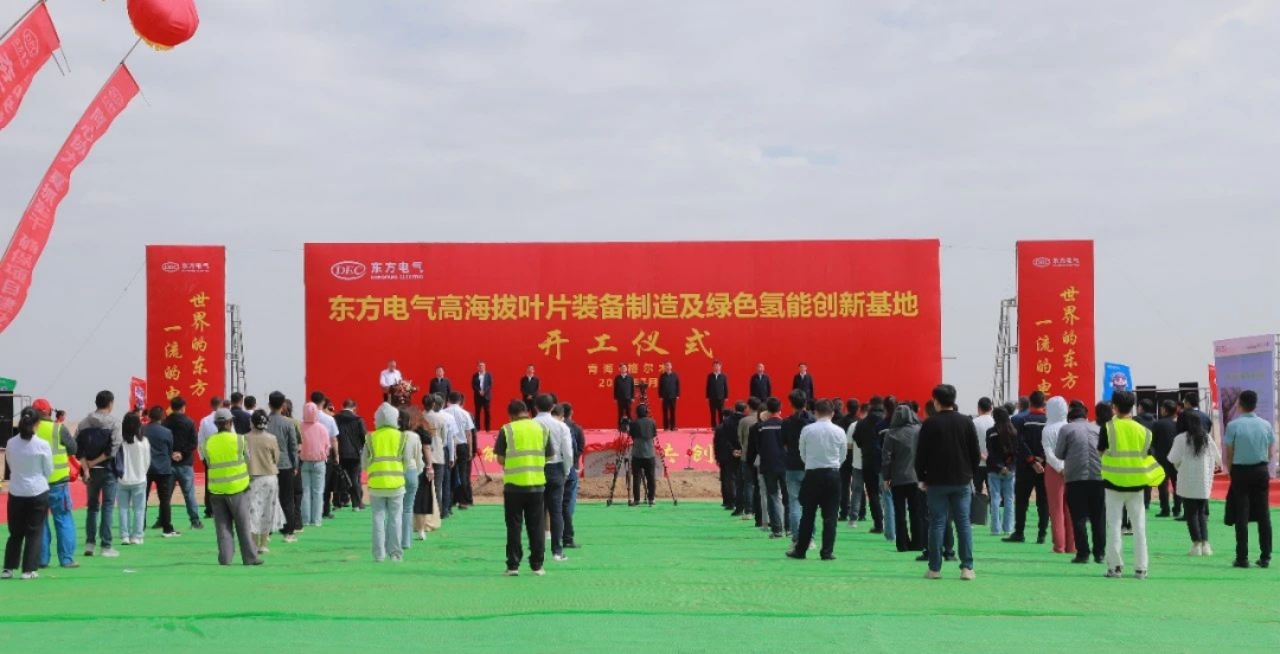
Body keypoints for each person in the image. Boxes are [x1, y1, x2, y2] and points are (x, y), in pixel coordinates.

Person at [915, 384, 980, 581]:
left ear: (936, 401)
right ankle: (967, 568)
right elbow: (975, 453)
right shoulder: (966, 422)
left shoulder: (930, 423)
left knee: (937, 523)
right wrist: (970, 473)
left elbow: (921, 454)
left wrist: (922, 477)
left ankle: (934, 569)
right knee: (963, 524)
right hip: (961, 480)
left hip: (936, 481)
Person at [1099, 390, 1164, 579]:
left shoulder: (1108, 428)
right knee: (1139, 527)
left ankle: (1115, 568)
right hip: (1137, 485)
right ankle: (1141, 568)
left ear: (1114, 406)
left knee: (1114, 526)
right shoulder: (1144, 431)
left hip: (1113, 483)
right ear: (1133, 407)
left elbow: (1100, 452)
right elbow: (1147, 454)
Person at [495, 399, 554, 576]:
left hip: (513, 486)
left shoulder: (507, 429)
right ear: (527, 411)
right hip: (536, 485)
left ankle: (513, 566)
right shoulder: (541, 429)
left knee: (514, 527)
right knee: (536, 527)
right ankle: (537, 565)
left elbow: (500, 459)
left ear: (511, 415)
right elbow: (549, 456)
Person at [201, 409, 262, 566]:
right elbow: (247, 459)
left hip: (217, 490)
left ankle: (225, 558)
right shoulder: (240, 440)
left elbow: (208, 462)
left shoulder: (207, 443)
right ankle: (250, 557)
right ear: (230, 422)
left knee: (222, 527)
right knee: (243, 525)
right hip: (238, 488)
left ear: (216, 424)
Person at [1223, 389, 1276, 569]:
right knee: (1264, 514)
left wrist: (1231, 471)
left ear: (1239, 404)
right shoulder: (1266, 425)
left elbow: (1229, 454)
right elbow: (1271, 452)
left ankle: (1242, 557)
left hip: (1240, 471)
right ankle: (1266, 556)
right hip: (1261, 469)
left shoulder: (1233, 426)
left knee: (1241, 514)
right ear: (1255, 404)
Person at [787, 400, 845, 561]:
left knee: (808, 514)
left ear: (816, 413)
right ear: (832, 413)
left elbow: (802, 453)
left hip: (812, 474)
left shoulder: (807, 430)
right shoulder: (839, 431)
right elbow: (842, 455)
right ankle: (827, 551)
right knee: (831, 516)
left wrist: (811, 465)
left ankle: (801, 550)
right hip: (832, 474)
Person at [31, 399, 78, 569]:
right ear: (49, 412)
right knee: (63, 520)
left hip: (37, 484)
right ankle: (66, 559)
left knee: (40, 522)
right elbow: (73, 449)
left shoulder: (30, 429)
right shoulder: (58, 428)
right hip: (58, 482)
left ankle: (42, 559)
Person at [3, 414, 52, 580]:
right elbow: (49, 469)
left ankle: (8, 568)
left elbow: (10, 463)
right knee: (34, 532)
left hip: (17, 491)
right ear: (36, 424)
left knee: (15, 532)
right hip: (37, 490)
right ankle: (28, 570)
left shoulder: (11, 443)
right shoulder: (42, 445)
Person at [1056, 402, 1105, 564]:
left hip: (1075, 478)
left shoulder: (1066, 429)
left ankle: (1083, 553)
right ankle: (1100, 553)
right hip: (1098, 477)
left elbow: (1059, 454)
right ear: (1086, 416)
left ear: (1069, 418)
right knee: (1098, 517)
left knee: (1078, 517)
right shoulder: (1097, 429)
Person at [1168, 411, 1220, 557]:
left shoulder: (1180, 438)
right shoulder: (1206, 437)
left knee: (1191, 513)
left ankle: (1196, 544)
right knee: (1201, 512)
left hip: (1186, 480)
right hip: (1203, 480)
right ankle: (1206, 544)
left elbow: (1173, 459)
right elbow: (1217, 457)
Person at [77, 391, 122, 559]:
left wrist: (86, 468)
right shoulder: (114, 423)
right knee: (107, 507)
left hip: (91, 472)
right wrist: (94, 462)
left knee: (92, 507)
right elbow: (113, 449)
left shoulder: (83, 423)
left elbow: (78, 448)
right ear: (110, 404)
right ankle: (106, 546)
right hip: (108, 470)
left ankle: (89, 544)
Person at [362, 403, 407, 562]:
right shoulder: (402, 437)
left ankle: (379, 555)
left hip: (376, 485)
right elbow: (407, 461)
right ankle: (395, 554)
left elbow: (364, 464)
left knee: (377, 519)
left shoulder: (370, 437)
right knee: (395, 519)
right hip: (397, 485)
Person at [1006, 391, 1049, 544]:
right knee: (1043, 502)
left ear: (1030, 403)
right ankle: (1042, 534)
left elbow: (1019, 443)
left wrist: (1031, 460)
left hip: (1025, 466)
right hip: (1044, 466)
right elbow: (1051, 442)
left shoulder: (1021, 420)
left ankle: (1019, 532)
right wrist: (1042, 458)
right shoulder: (1048, 421)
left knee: (1022, 501)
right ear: (1044, 403)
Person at [533, 395, 573, 559]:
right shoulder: (561, 426)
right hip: (556, 468)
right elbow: (568, 452)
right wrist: (566, 470)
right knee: (556, 511)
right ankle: (557, 551)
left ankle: (537, 551)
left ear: (535, 407)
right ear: (552, 407)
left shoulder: (530, 425)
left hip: (536, 469)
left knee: (536, 511)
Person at [882, 404, 923, 553]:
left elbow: (887, 458)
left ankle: (902, 543)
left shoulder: (890, 434)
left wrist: (886, 477)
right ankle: (918, 542)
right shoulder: (918, 431)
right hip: (916, 478)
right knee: (916, 511)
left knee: (899, 512)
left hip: (898, 478)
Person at [1040, 397, 1075, 555]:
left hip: (1054, 471)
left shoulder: (1047, 429)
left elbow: (1049, 453)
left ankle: (1059, 545)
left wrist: (1060, 468)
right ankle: (1072, 545)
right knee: (1071, 508)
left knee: (1056, 509)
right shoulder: (1070, 427)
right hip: (1072, 469)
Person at [245, 409, 283, 554]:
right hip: (269, 477)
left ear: (252, 422)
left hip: (251, 477)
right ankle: (264, 543)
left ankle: (253, 543)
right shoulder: (271, 438)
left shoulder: (244, 438)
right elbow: (276, 458)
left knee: (252, 511)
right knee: (267, 510)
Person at [748, 397, 787, 539]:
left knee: (772, 496)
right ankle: (789, 528)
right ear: (780, 408)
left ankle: (776, 529)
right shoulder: (785, 425)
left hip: (768, 465)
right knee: (788, 497)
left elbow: (758, 447)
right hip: (785, 464)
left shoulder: (760, 427)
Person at [162, 397, 203, 530]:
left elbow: (163, 443)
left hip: (169, 464)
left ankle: (162, 520)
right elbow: (193, 443)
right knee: (189, 494)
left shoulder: (165, 422)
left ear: (171, 407)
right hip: (185, 463)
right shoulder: (189, 422)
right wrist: (182, 454)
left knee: (166, 495)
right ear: (183, 407)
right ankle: (195, 520)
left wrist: (172, 453)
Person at [265, 391, 301, 543]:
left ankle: (267, 532)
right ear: (283, 405)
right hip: (285, 465)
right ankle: (288, 532)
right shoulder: (288, 423)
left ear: (269, 404)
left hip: (267, 465)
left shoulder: (264, 422)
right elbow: (293, 446)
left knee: (268, 499)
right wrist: (295, 465)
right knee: (287, 499)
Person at [781, 390, 815, 543]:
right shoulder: (813, 421)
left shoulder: (787, 422)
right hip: (810, 465)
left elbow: (783, 443)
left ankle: (797, 538)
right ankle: (810, 538)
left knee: (794, 502)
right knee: (810, 503)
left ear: (791, 404)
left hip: (793, 465)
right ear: (806, 403)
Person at [115, 413, 150, 546]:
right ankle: (137, 536)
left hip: (122, 479)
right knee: (139, 509)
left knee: (123, 509)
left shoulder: (119, 442)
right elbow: (147, 461)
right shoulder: (143, 441)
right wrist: (142, 473)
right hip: (139, 479)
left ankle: (124, 536)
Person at [142, 406, 177, 539]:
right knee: (164, 500)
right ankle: (167, 528)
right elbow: (170, 450)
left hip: (146, 468)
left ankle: (140, 527)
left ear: (149, 416)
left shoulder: (142, 430)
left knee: (142, 500)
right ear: (162, 416)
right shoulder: (167, 432)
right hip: (163, 469)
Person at [852, 397, 887, 534]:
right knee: (889, 494)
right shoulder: (888, 421)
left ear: (870, 406)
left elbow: (857, 440)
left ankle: (878, 524)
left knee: (873, 494)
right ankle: (891, 524)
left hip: (869, 460)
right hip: (887, 461)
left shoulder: (862, 423)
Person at [299, 402, 335, 528]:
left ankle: (306, 519)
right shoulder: (322, 428)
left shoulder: (300, 427)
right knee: (318, 492)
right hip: (319, 462)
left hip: (304, 462)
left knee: (306, 492)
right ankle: (317, 520)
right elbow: (328, 446)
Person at [985, 407, 1017, 537]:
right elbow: (1016, 452)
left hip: (994, 469)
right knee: (1009, 498)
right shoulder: (1013, 432)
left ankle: (995, 528)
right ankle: (1008, 528)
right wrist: (1009, 467)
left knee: (995, 498)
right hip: (1010, 470)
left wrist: (999, 467)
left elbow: (991, 452)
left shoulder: (991, 432)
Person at [444, 392, 477, 510]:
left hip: (448, 446)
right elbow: (469, 433)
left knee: (449, 473)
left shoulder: (444, 412)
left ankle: (450, 501)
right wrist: (470, 450)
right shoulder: (465, 413)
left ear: (448, 400)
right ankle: (463, 501)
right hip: (462, 445)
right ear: (460, 401)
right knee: (463, 474)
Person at [411, 409, 441, 540]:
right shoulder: (423, 432)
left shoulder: (404, 433)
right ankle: (423, 527)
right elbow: (427, 449)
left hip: (407, 467)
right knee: (423, 499)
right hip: (421, 467)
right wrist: (430, 467)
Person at [398, 411, 424, 551]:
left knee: (395, 508)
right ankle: (406, 541)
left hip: (396, 473)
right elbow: (419, 457)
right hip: (412, 472)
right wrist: (418, 471)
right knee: (408, 508)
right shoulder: (414, 436)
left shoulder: (393, 436)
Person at [1151, 400, 1181, 518]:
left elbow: (1153, 441)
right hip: (1177, 457)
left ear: (1165, 410)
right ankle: (1177, 509)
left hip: (1162, 457)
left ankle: (1165, 509)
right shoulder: (1179, 423)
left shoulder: (1158, 424)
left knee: (1163, 484)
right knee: (1177, 483)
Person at [334, 400, 366, 511]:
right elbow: (363, 436)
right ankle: (356, 504)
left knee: (338, 478)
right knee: (354, 479)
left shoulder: (335, 418)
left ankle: (337, 503)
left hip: (339, 453)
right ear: (354, 407)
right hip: (354, 454)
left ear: (342, 406)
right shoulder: (358, 419)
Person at [561, 403, 585, 549]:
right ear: (571, 413)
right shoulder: (575, 428)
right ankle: (567, 534)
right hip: (570, 468)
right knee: (568, 502)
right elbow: (580, 447)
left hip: (556, 468)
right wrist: (574, 460)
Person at [196, 395, 224, 520]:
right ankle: (225, 508)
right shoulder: (227, 418)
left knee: (210, 483)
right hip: (225, 455)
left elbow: (200, 440)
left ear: (211, 405)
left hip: (210, 456)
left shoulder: (205, 421)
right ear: (221, 404)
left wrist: (202, 457)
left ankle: (210, 509)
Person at [628, 403, 659, 507]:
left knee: (636, 478)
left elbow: (631, 436)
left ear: (637, 413)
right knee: (651, 478)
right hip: (649, 454)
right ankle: (651, 499)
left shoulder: (633, 423)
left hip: (637, 454)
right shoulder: (652, 422)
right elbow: (654, 435)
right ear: (646, 412)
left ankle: (636, 500)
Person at [736, 397, 761, 520]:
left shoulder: (744, 421)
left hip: (746, 456)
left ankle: (749, 511)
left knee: (748, 483)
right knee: (759, 484)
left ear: (749, 407)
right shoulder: (762, 420)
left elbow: (740, 438)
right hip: (760, 456)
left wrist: (744, 448)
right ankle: (759, 510)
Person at [838, 398, 862, 524]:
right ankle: (861, 512)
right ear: (858, 409)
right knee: (859, 485)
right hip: (857, 457)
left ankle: (844, 512)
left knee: (844, 485)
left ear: (846, 408)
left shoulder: (841, 422)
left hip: (844, 457)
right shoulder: (860, 423)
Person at [713, 406, 742, 510]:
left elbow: (716, 444)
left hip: (723, 456)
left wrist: (716, 457)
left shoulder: (720, 427)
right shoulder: (737, 425)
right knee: (735, 478)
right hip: (735, 454)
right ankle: (736, 500)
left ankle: (727, 501)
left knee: (726, 479)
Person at [972, 398, 995, 495]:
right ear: (991, 408)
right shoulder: (995, 422)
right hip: (994, 463)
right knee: (994, 493)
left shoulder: (973, 422)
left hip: (977, 463)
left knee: (976, 493)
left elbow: (970, 444)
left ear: (978, 408)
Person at [705, 361, 729, 430]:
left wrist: (726, 396)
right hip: (712, 397)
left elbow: (726, 387)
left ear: (720, 367)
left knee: (721, 412)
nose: (716, 367)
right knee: (713, 412)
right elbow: (708, 386)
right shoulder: (710, 376)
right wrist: (707, 396)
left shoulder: (723, 376)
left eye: (718, 366)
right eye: (715, 366)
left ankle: (721, 426)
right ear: (713, 367)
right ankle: (714, 426)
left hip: (721, 397)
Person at [471, 361, 494, 432]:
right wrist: (479, 391)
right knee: (477, 412)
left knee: (487, 412)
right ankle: (477, 428)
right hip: (477, 396)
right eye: (479, 366)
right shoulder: (475, 375)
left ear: (485, 367)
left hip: (486, 396)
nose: (481, 367)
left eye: (482, 366)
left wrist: (484, 392)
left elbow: (490, 384)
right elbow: (473, 385)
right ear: (477, 367)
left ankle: (487, 428)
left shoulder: (488, 375)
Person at [658, 361, 680, 431]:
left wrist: (678, 395)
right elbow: (660, 387)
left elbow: (678, 385)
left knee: (672, 411)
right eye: (666, 365)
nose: (667, 367)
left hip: (673, 396)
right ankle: (666, 427)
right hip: (664, 397)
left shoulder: (675, 375)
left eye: (668, 365)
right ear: (664, 367)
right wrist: (660, 396)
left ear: (671, 366)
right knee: (665, 412)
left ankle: (673, 427)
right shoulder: (662, 376)